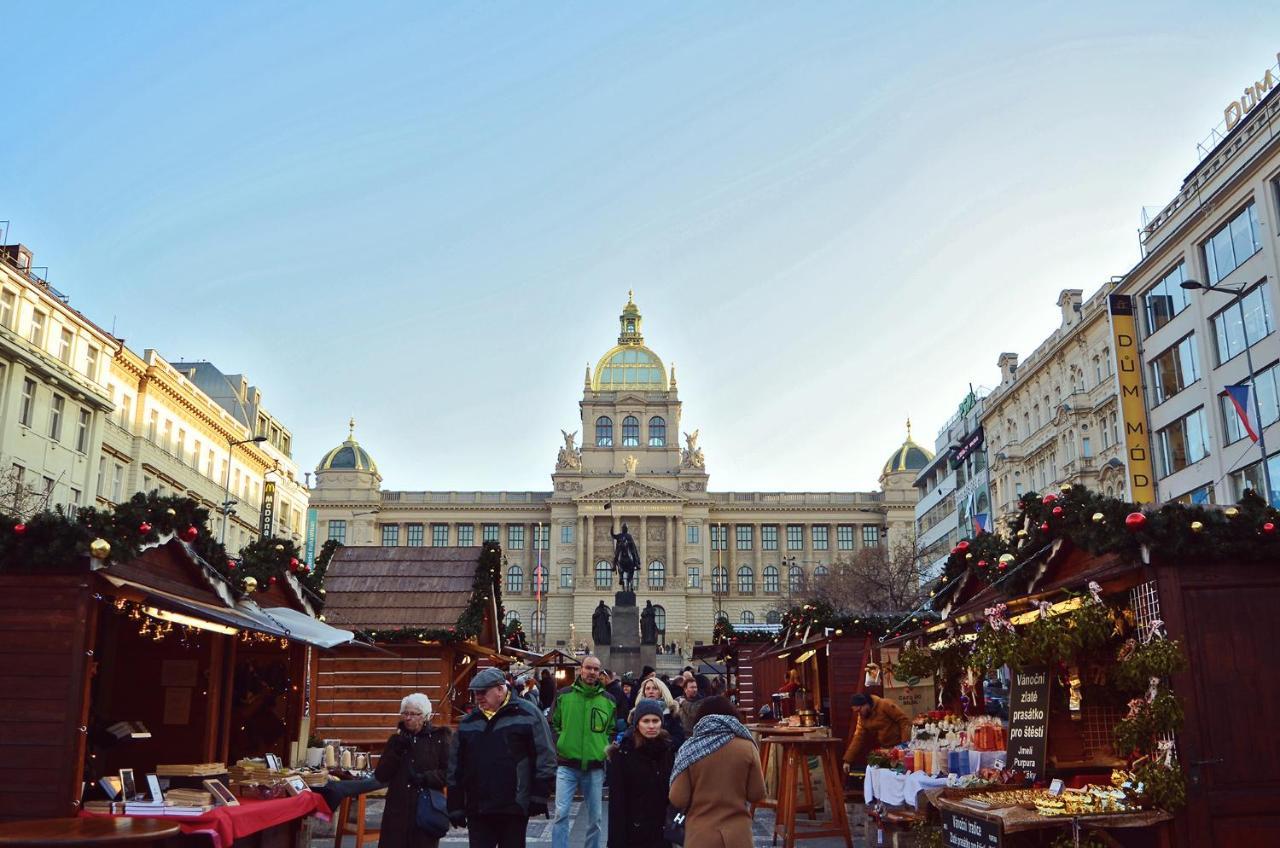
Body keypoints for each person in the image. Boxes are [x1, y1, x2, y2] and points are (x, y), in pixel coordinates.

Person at [448, 668, 556, 848]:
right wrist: (455, 804)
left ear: (500, 689)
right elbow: (456, 765)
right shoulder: (468, 722)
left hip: (513, 805)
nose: (478, 697)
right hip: (478, 807)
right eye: (475, 693)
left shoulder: (528, 714)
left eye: (483, 692)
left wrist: (539, 794)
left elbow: (545, 755)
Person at [668, 697, 765, 848]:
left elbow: (678, 798)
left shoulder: (689, 750)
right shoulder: (747, 747)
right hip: (738, 835)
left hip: (700, 836)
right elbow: (756, 793)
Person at [550, 654, 614, 848]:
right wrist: (561, 742)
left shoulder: (608, 700)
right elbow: (553, 723)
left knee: (596, 818)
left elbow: (611, 730)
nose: (592, 672)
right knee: (561, 814)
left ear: (600, 673)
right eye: (588, 668)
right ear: (581, 669)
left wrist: (603, 747)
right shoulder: (564, 695)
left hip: (594, 766)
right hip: (567, 764)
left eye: (596, 669)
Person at [375, 693, 452, 848]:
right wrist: (395, 752)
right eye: (405, 713)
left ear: (425, 716)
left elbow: (450, 773)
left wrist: (426, 777)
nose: (408, 718)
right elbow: (381, 775)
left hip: (426, 809)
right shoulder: (396, 740)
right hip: (397, 810)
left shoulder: (439, 738)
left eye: (413, 714)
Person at [606, 699, 676, 848]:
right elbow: (617, 804)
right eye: (646, 721)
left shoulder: (667, 749)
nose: (651, 726)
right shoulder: (622, 753)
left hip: (661, 830)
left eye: (655, 721)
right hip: (634, 831)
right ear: (637, 723)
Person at [842, 692, 912, 772]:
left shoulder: (884, 704)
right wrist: (848, 760)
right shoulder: (862, 717)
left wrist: (904, 745)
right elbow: (858, 737)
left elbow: (904, 721)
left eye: (859, 710)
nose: (859, 713)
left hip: (900, 746)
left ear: (866, 704)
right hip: (886, 750)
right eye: (856, 711)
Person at [637, 676, 685, 747]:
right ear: (644, 692)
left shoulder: (672, 713)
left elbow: (679, 740)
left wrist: (664, 738)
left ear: (662, 692)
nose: (650, 691)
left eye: (655, 688)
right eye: (647, 688)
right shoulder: (637, 712)